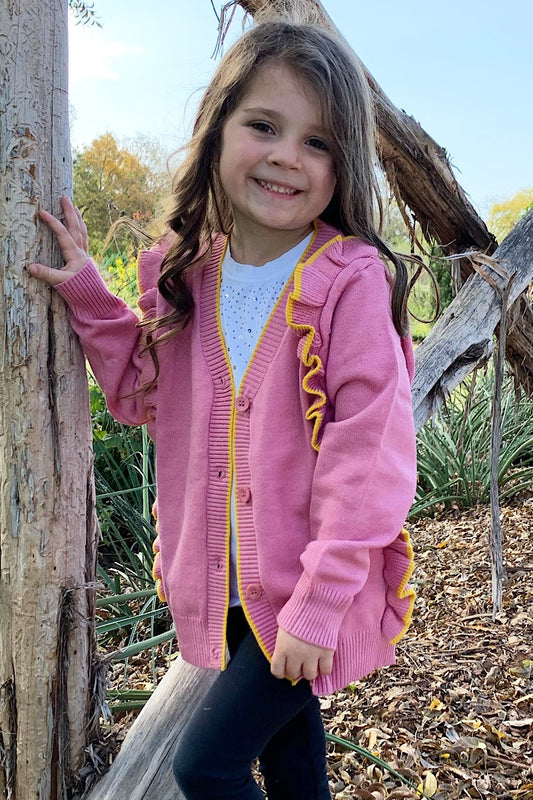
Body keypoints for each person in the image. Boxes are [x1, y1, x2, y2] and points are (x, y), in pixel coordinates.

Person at [28, 17, 417, 800]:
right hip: (228, 583)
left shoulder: (346, 282)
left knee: (203, 765)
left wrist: (321, 601)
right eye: (264, 126)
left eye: (319, 143)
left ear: (344, 169)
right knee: (293, 763)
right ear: (217, 133)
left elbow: (368, 449)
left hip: (308, 588)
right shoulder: (186, 277)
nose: (285, 156)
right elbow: (144, 391)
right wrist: (88, 296)